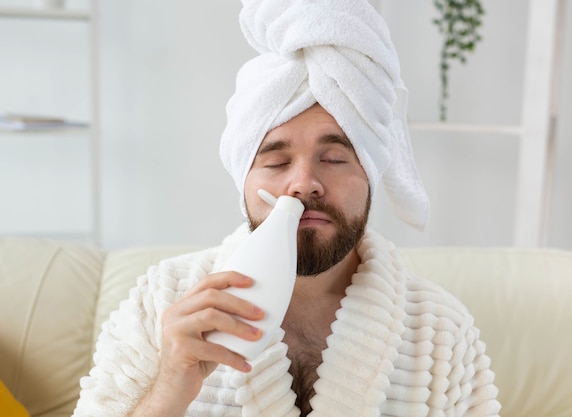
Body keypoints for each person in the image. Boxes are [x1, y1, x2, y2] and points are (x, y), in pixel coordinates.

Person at [73, 1, 501, 416]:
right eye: (276, 162)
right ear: (243, 179)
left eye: (334, 159)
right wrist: (168, 388)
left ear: (370, 174)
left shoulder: (440, 332)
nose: (303, 184)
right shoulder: (163, 299)